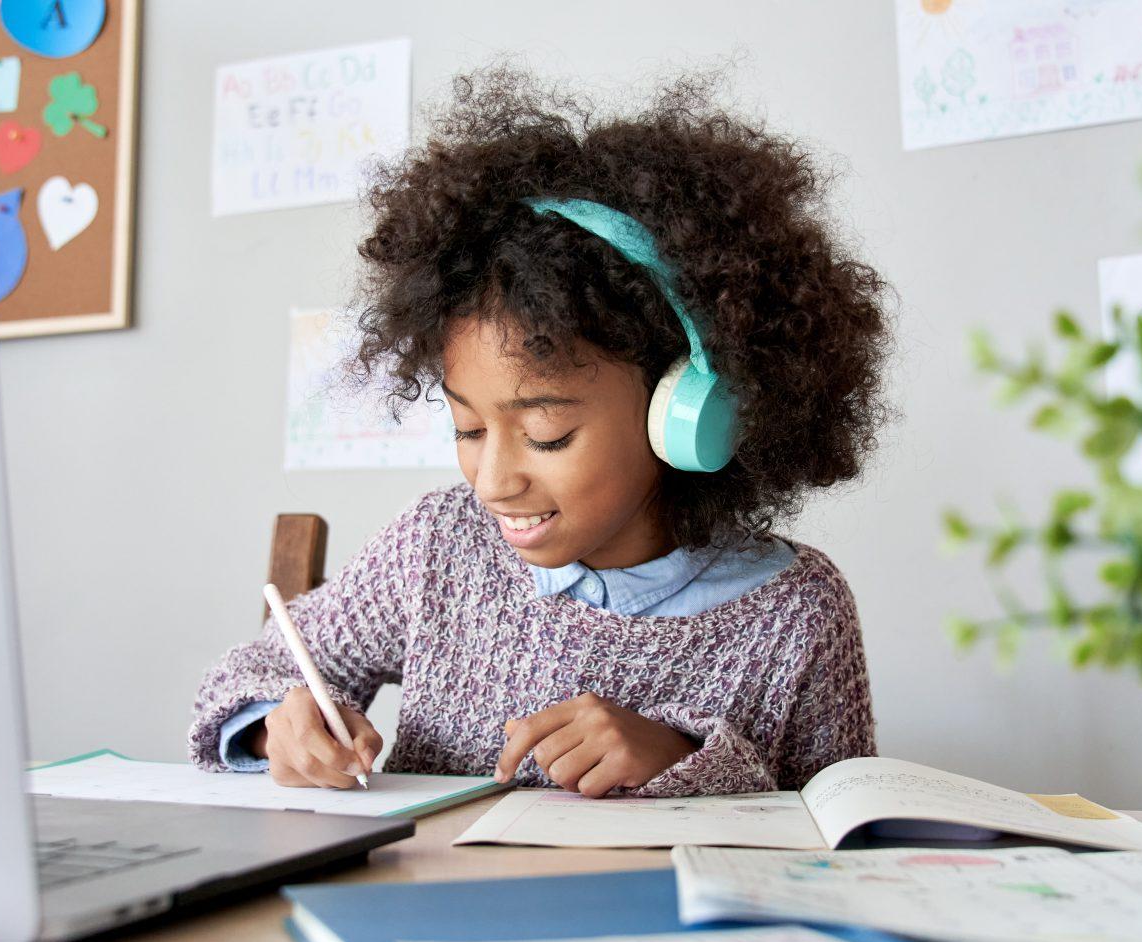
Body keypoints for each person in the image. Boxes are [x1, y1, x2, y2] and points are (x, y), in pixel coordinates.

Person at [188, 61, 894, 798]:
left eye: (548, 434)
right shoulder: (438, 547)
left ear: (685, 412)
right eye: (467, 428)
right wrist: (281, 723)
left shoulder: (795, 613)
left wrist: (682, 761)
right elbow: (251, 673)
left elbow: (840, 832)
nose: (494, 482)